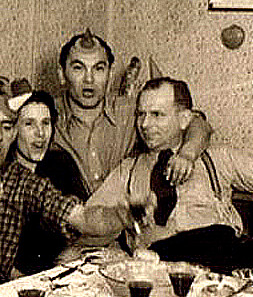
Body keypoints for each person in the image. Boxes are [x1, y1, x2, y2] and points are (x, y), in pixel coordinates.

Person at [83, 77, 253, 278]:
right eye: (141, 114)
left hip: (218, 268)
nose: (145, 124)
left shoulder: (217, 158)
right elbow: (88, 219)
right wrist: (121, 224)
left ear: (184, 119)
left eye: (157, 115)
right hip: (158, 275)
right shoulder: (128, 169)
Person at [0, 75, 135, 284]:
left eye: (6, 126)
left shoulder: (22, 180)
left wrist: (124, 214)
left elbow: (83, 218)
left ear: (13, 132)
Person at [53, 29, 213, 197]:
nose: (89, 79)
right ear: (62, 74)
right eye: (78, 68)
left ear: (110, 74)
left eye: (99, 69)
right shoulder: (47, 116)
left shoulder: (131, 110)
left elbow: (196, 123)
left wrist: (187, 154)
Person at [5, 89, 88, 274]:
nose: (40, 133)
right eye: (29, 124)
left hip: (60, 271)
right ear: (13, 130)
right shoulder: (3, 171)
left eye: (45, 123)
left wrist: (73, 250)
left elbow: (82, 220)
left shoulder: (61, 164)